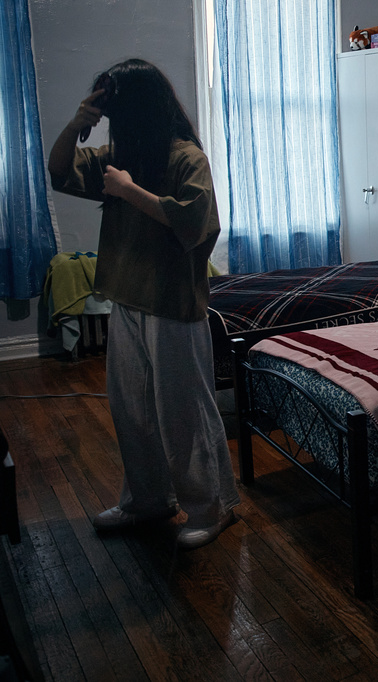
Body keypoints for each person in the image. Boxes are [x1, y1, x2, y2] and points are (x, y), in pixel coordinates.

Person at [48, 59, 239, 550]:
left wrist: (132, 192)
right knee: (132, 409)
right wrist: (77, 123)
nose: (113, 126)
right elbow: (60, 172)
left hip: (173, 302)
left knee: (183, 410)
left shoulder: (184, 157)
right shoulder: (119, 152)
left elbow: (197, 223)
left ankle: (211, 506)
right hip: (128, 296)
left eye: (117, 114)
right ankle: (148, 499)